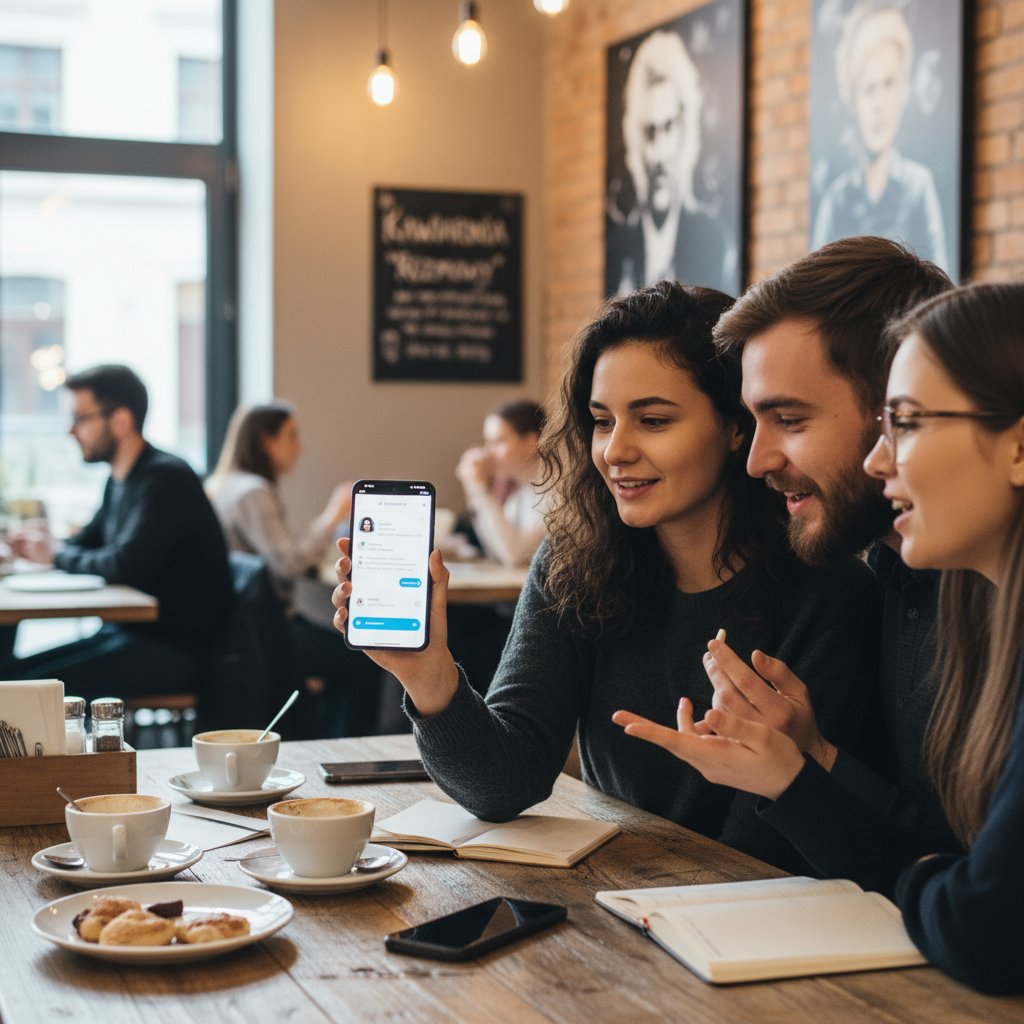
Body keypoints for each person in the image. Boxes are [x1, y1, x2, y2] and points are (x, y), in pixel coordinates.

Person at [332, 281, 880, 872]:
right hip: (620, 902)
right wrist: (428, 673)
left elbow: (761, 855)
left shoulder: (827, 593)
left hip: (753, 926)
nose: (615, 451)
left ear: (734, 427)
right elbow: (504, 784)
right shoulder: (577, 565)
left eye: (652, 420)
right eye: (601, 421)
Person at [620, 282, 1024, 993]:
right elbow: (951, 865)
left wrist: (942, 879)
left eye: (906, 422)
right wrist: (803, 770)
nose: (879, 457)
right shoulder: (923, 590)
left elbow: (985, 924)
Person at [612, 237, 955, 886]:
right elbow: (928, 857)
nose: (756, 462)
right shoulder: (890, 575)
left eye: (789, 419)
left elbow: (971, 889)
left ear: (897, 410)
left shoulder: (987, 593)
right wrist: (812, 758)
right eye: (753, 421)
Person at [0, 364, 233, 701]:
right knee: (11, 680)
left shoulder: (165, 478)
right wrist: (39, 544)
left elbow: (125, 564)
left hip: (176, 651)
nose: (71, 432)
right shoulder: (120, 479)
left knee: (20, 692)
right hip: (129, 635)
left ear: (121, 420)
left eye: (80, 419)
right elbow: (88, 543)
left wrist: (55, 553)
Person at [205, 402, 381, 737]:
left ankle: (327, 739)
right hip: (260, 632)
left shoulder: (227, 485)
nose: (298, 446)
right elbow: (289, 563)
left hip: (242, 626)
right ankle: (343, 748)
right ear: (265, 441)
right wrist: (333, 514)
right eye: (291, 436)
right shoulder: (252, 492)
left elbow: (286, 549)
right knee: (361, 656)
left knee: (344, 649)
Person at [812, 3, 948, 272]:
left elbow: (940, 286)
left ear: (903, 91)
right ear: (853, 100)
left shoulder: (920, 187)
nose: (879, 104)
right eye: (869, 89)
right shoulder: (836, 202)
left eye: (889, 84)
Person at [605, 29, 735, 296]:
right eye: (649, 132)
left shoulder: (714, 241)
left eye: (668, 128)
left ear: (685, 133)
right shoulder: (618, 248)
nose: (659, 154)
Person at [455, 400, 547, 568]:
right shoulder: (522, 493)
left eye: (498, 442)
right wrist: (474, 491)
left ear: (530, 442)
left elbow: (515, 556)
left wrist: (481, 491)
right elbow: (495, 550)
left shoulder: (557, 494)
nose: (487, 452)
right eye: (487, 442)